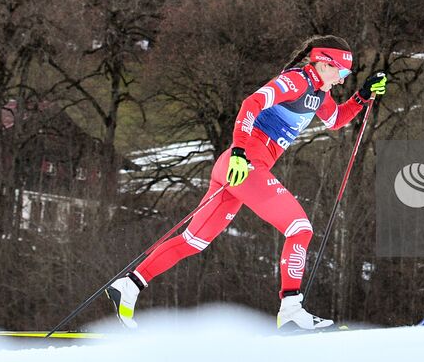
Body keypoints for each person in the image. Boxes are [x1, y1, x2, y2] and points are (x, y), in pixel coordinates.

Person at [107, 34, 387, 331]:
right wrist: (240, 150)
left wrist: (362, 97)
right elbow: (252, 102)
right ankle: (291, 307)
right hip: (245, 163)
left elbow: (336, 120)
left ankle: (129, 285)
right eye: (341, 72)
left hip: (237, 166)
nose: (342, 80)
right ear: (324, 63)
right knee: (300, 228)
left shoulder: (318, 92)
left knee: (193, 240)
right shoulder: (295, 82)